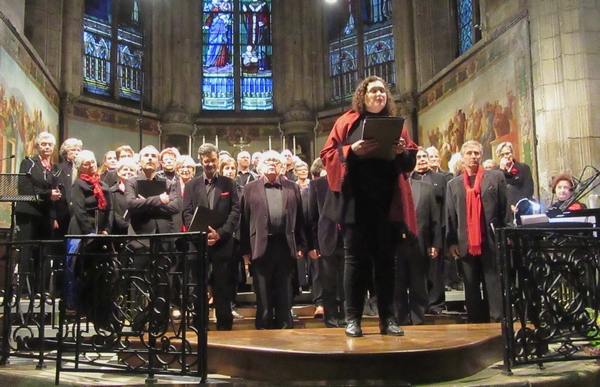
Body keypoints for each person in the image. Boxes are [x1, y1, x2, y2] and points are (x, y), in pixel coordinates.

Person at [320, 75, 418, 337]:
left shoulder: (398, 126)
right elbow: (327, 155)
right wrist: (353, 150)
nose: (379, 95)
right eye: (374, 91)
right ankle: (353, 319)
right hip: (355, 203)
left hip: (388, 204)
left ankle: (388, 319)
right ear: (362, 95)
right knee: (355, 263)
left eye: (383, 91)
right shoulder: (347, 122)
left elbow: (409, 163)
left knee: (387, 263)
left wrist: (401, 152)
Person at [239, 150, 306, 330]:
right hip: (260, 246)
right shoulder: (249, 188)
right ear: (260, 166)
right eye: (268, 160)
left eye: (275, 161)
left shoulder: (292, 187)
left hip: (285, 244)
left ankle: (285, 327)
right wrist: (245, 250)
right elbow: (244, 222)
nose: (271, 163)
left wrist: (301, 244)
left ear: (282, 167)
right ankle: (263, 328)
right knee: (262, 291)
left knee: (284, 290)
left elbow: (300, 218)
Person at [446, 140, 507, 323]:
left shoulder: (495, 178)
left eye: (477, 153)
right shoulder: (454, 184)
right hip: (465, 241)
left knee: (493, 282)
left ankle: (496, 320)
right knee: (471, 285)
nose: (473, 156)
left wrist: (504, 234)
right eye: (469, 153)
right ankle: (475, 323)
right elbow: (450, 215)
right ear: (462, 158)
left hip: (489, 239)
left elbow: (503, 209)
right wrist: (452, 242)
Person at [183, 144, 240, 331]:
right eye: (206, 160)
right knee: (199, 287)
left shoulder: (228, 184)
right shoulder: (191, 185)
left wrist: (220, 233)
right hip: (199, 244)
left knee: (223, 288)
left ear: (218, 160)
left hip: (223, 244)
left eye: (213, 160)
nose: (210, 163)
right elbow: (187, 212)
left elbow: (235, 211)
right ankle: (200, 327)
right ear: (201, 161)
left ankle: (225, 328)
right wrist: (202, 234)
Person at [67, 150, 114, 328]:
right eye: (87, 163)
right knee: (77, 269)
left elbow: (109, 211)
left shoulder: (103, 185)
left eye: (93, 162)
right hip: (81, 232)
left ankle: (98, 312)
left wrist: (106, 230)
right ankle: (77, 308)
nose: (91, 165)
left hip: (100, 234)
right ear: (80, 167)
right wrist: (88, 234)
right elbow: (78, 210)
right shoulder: (78, 184)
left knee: (99, 273)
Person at [15, 132, 62, 295]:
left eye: (50, 144)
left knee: (44, 253)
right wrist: (47, 194)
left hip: (46, 214)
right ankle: (22, 291)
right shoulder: (29, 163)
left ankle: (41, 291)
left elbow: (55, 193)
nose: (47, 147)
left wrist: (54, 216)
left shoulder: (55, 168)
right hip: (28, 212)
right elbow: (24, 188)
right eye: (43, 144)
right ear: (37, 146)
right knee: (26, 251)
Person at [395, 178, 440, 325]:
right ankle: (400, 319)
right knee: (397, 285)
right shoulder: (390, 185)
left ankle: (418, 319)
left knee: (419, 284)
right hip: (395, 245)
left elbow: (435, 219)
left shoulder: (426, 188)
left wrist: (435, 243)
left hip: (420, 244)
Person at [308, 158, 345, 328]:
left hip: (347, 239)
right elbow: (312, 218)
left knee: (347, 283)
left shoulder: (349, 180)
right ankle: (331, 319)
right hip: (326, 239)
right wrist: (313, 244)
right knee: (328, 284)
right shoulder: (317, 185)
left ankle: (348, 317)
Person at [495, 142, 534, 224]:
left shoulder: (523, 168)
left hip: (522, 206)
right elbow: (497, 189)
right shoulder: (496, 171)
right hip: (504, 209)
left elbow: (528, 189)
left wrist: (517, 205)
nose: (506, 156)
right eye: (502, 155)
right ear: (499, 157)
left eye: (507, 153)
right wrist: (502, 170)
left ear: (512, 153)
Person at [109, 157, 138, 236]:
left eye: (131, 170)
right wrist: (125, 225)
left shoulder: (139, 191)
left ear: (136, 173)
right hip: (117, 233)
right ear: (118, 172)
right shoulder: (111, 192)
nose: (128, 172)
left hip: (136, 232)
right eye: (125, 169)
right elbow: (112, 213)